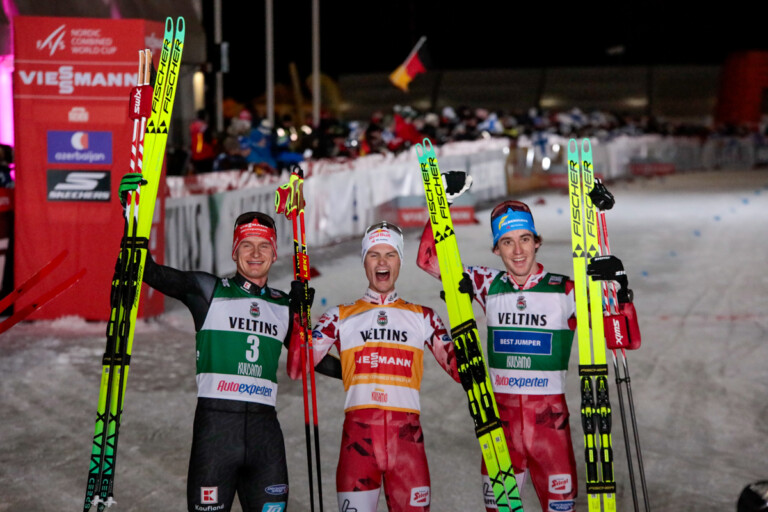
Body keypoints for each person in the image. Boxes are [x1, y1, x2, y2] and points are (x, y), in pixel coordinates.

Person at [118, 174, 340, 511]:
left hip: (266, 437)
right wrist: (132, 215)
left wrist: (363, 365)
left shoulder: (283, 303)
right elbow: (147, 271)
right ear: (235, 251)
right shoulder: (207, 291)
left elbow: (310, 361)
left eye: (264, 245)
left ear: (274, 252)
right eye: (246, 245)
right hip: (216, 433)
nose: (255, 253)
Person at [416, 172, 579, 511]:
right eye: (507, 242)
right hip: (499, 429)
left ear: (537, 241)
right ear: (496, 248)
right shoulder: (487, 283)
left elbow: (624, 335)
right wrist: (440, 203)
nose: (517, 250)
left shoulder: (564, 290)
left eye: (524, 239)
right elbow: (429, 260)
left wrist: (617, 285)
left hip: (551, 428)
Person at [305, 221, 460, 512]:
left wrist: (463, 327)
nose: (382, 262)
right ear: (364, 260)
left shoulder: (423, 316)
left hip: (407, 446)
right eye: (374, 254)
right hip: (358, 447)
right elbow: (299, 365)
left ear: (400, 260)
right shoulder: (338, 317)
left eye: (390, 254)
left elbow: (462, 373)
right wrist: (297, 319)